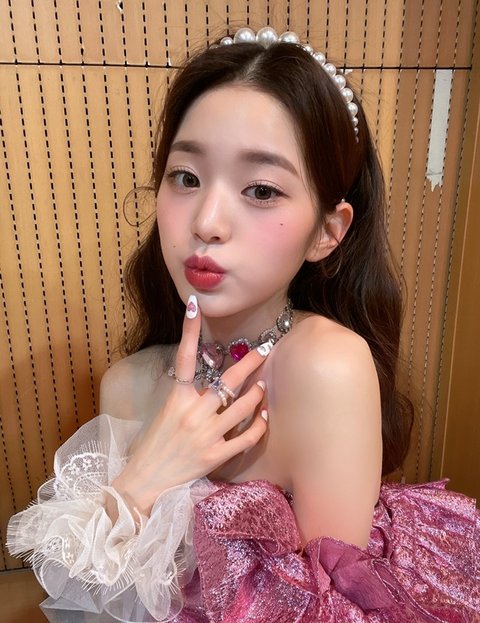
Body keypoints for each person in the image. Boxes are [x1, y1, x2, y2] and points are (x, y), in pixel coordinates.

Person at [7, 26, 480, 623]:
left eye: (260, 189)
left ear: (327, 232)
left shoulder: (327, 367)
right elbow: (98, 600)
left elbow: (331, 607)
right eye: (186, 177)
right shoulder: (126, 383)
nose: (206, 222)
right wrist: (147, 475)